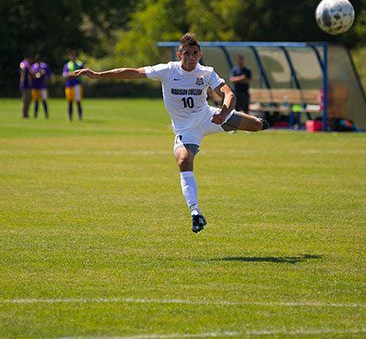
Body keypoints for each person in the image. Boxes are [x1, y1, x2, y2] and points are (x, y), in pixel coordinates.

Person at [72, 33, 269, 233]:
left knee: (256, 126)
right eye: (187, 54)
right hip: (185, 130)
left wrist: (224, 114)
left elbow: (229, 94)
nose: (191, 58)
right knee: (184, 161)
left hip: (209, 117)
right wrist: (98, 75)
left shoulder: (206, 72)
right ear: (179, 54)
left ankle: (262, 123)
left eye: (195, 54)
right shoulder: (167, 70)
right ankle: (195, 213)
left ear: (200, 54)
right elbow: (131, 72)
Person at [62, 50, 84, 121]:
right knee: (70, 102)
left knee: (78, 102)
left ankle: (80, 118)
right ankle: (70, 117)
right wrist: (73, 74)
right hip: (69, 85)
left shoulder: (80, 64)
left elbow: (80, 74)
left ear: (76, 57)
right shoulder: (67, 65)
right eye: (71, 56)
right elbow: (65, 75)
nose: (72, 57)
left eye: (74, 56)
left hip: (77, 85)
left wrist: (70, 74)